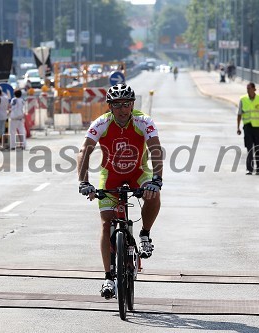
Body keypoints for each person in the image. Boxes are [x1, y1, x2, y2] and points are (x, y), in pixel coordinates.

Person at [77, 83, 164, 300]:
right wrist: (83, 181)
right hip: (111, 174)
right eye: (117, 105)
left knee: (154, 195)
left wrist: (157, 179)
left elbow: (155, 148)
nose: (123, 109)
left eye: (127, 104)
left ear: (132, 105)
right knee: (106, 224)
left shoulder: (143, 121)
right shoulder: (102, 123)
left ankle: (144, 233)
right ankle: (108, 277)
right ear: (110, 107)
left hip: (138, 171)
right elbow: (83, 151)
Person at [236, 82, 259, 175]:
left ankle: (258, 168)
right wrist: (238, 127)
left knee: (258, 148)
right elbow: (239, 114)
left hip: (258, 128)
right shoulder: (243, 99)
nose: (248, 90)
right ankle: (249, 169)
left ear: (254, 89)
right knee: (249, 148)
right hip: (247, 127)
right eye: (247, 89)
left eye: (249, 88)